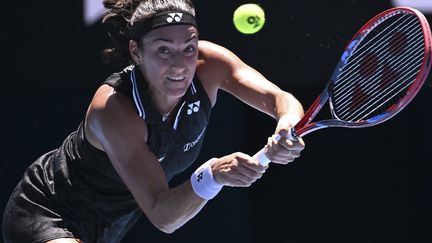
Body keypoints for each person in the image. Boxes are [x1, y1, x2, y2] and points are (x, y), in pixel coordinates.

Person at [2, 0, 305, 242]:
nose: (179, 64)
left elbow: (280, 99)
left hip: (112, 224)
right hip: (49, 211)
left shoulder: (208, 64)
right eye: (163, 49)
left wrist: (285, 127)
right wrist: (212, 175)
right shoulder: (114, 109)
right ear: (136, 51)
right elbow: (163, 215)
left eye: (188, 47)